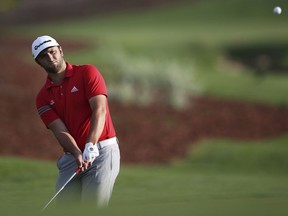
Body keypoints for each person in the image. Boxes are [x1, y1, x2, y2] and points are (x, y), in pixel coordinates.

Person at [32, 35, 120, 207]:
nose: (50, 57)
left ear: (61, 51)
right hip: (72, 158)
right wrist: (77, 153)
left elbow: (100, 109)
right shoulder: (42, 98)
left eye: (53, 52)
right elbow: (59, 130)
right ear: (39, 63)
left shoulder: (87, 72)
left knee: (93, 207)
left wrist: (90, 144)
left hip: (101, 153)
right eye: (44, 56)